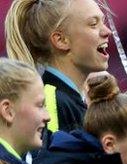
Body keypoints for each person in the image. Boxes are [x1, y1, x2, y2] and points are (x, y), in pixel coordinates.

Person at [4, 0, 111, 134]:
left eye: (103, 21)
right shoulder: (51, 103)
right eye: (93, 24)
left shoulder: (70, 100)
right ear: (61, 40)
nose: (107, 31)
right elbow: (52, 154)